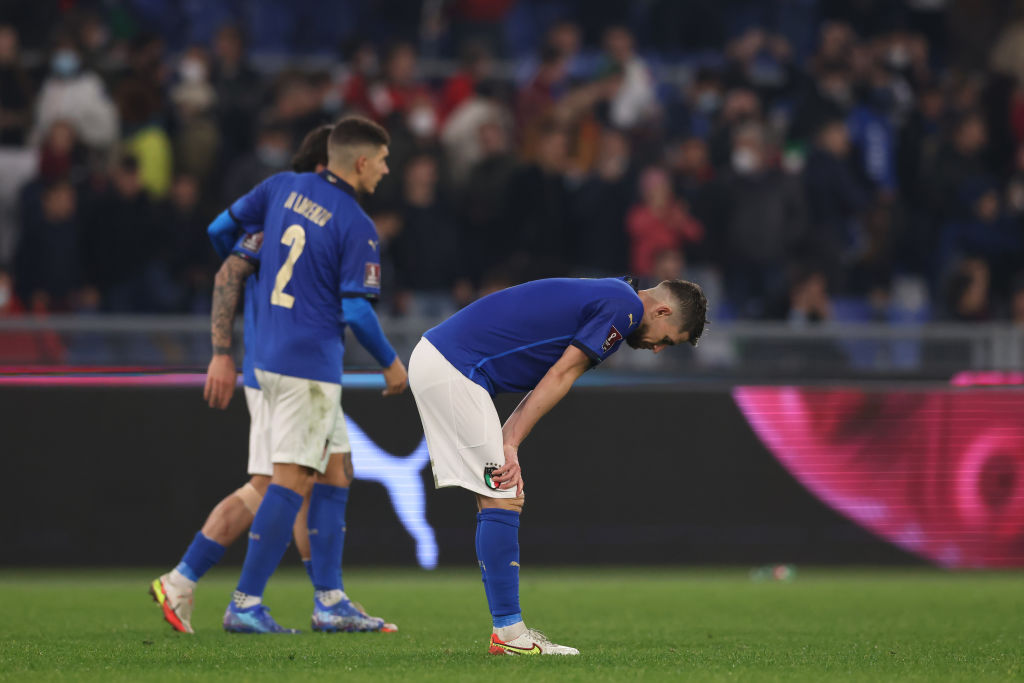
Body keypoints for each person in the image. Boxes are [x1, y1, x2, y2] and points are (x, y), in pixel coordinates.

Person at [407, 276, 707, 655]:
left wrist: (510, 437)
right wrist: (510, 440)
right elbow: (561, 374)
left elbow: (554, 373)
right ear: (662, 311)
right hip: (455, 367)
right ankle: (510, 636)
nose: (659, 349)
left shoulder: (615, 294)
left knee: (501, 494)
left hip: (450, 362)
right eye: (668, 339)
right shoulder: (625, 309)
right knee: (504, 494)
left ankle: (508, 633)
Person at [218, 116, 407, 634]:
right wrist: (392, 363)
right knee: (292, 478)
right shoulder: (356, 224)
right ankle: (245, 603)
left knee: (335, 470)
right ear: (361, 161)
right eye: (384, 160)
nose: (388, 171)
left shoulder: (283, 185)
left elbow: (220, 231)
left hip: (269, 352)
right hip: (310, 363)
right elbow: (358, 313)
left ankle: (330, 600)